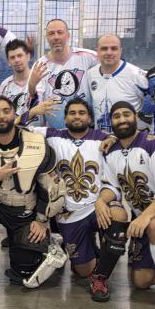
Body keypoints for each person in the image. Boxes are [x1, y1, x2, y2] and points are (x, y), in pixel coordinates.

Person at [0, 96, 68, 287]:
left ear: (14, 114)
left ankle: (48, 243)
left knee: (24, 271)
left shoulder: (38, 144)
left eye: (6, 111)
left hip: (24, 210)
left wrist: (41, 221)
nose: (1, 116)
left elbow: (52, 189)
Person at [95, 101, 155, 309]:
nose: (122, 119)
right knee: (141, 281)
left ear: (135, 118)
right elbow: (111, 186)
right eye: (116, 116)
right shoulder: (111, 151)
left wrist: (144, 217)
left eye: (126, 114)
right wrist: (100, 201)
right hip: (143, 216)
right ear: (111, 122)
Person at [28, 98, 115, 293]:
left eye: (82, 113)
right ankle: (87, 249)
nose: (77, 116)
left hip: (97, 206)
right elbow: (15, 129)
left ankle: (102, 268)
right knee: (83, 271)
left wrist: (114, 138)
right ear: (65, 118)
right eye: (72, 113)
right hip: (69, 213)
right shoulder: (52, 135)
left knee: (118, 216)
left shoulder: (103, 138)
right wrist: (33, 112)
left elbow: (128, 140)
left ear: (90, 118)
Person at [85, 34, 155, 136]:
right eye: (104, 49)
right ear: (97, 51)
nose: (109, 52)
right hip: (102, 141)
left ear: (121, 50)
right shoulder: (90, 75)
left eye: (114, 48)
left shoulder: (136, 75)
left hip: (131, 141)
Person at [28, 19, 97, 129]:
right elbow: (37, 105)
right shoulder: (40, 66)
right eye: (51, 33)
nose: (56, 37)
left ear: (68, 35)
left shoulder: (90, 58)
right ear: (47, 38)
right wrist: (31, 87)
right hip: (56, 134)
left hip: (87, 132)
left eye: (60, 32)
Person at [0, 39, 44, 126]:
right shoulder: (4, 85)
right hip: (14, 132)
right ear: (8, 62)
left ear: (28, 57)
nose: (16, 60)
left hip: (37, 133)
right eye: (12, 57)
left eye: (20, 55)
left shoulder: (41, 80)